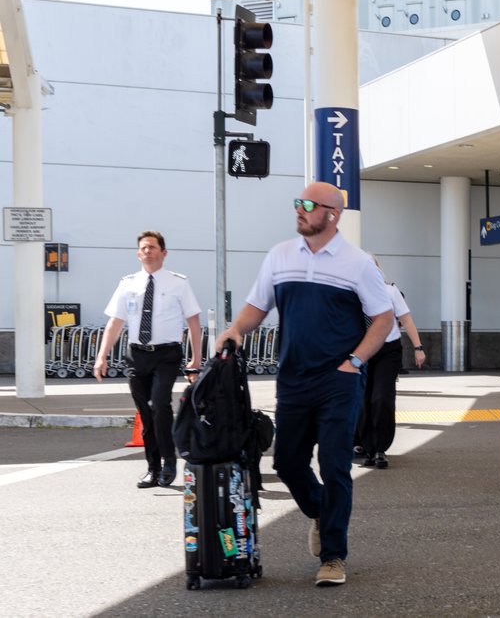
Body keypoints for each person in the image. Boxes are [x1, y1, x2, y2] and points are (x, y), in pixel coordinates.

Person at [216, 182, 394, 587]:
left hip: (338, 381)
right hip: (293, 379)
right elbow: (257, 305)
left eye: (308, 204)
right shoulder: (280, 256)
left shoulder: (358, 262)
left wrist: (354, 362)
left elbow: (383, 318)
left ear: (332, 214)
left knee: (335, 466)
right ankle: (320, 511)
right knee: (287, 463)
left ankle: (333, 556)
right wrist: (236, 330)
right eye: (298, 203)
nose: (299, 209)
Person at [95, 231, 202, 489]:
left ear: (163, 253)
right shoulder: (128, 283)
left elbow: (194, 323)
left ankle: (168, 462)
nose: (147, 251)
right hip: (137, 355)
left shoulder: (178, 283)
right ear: (137, 253)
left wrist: (196, 359)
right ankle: (152, 469)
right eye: (143, 248)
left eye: (152, 247)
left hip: (167, 354)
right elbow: (115, 323)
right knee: (145, 413)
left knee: (160, 406)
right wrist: (102, 356)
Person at [357, 265, 426, 469]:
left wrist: (418, 347)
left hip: (388, 350)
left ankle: (380, 448)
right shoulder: (353, 293)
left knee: (381, 398)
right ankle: (367, 447)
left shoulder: (390, 291)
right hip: (362, 351)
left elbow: (406, 319)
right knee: (363, 400)